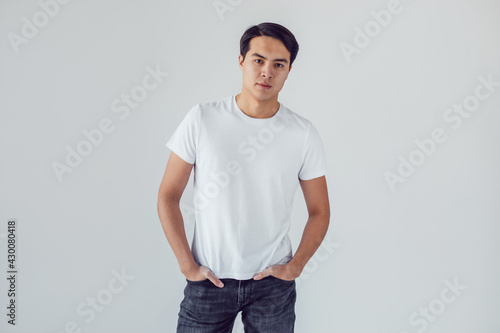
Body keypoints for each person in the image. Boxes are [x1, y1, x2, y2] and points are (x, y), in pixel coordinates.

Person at [157, 22, 330, 332]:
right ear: (241, 61)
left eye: (279, 64)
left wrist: (296, 265)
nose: (267, 72)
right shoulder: (202, 119)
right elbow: (168, 195)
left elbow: (320, 211)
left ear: (289, 70)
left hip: (271, 286)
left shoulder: (302, 134)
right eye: (258, 60)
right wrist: (186, 263)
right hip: (210, 280)